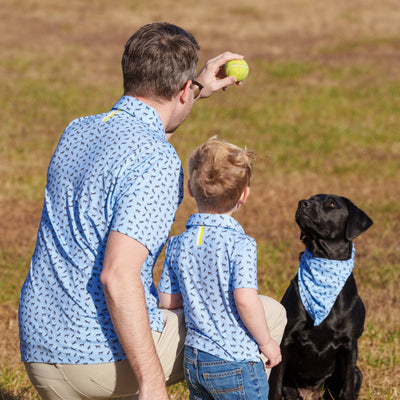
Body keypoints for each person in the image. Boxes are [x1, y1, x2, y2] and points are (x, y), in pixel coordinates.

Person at [18, 22, 286, 400]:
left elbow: (140, 137)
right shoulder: (158, 161)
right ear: (180, 90)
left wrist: (195, 90)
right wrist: (152, 383)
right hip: (95, 360)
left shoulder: (77, 129)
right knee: (268, 313)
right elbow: (117, 275)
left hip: (40, 353)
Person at [158, 137, 285, 399]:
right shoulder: (241, 245)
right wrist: (266, 342)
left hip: (195, 361)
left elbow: (168, 300)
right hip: (234, 361)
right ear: (244, 195)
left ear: (191, 190)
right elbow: (246, 300)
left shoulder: (178, 243)